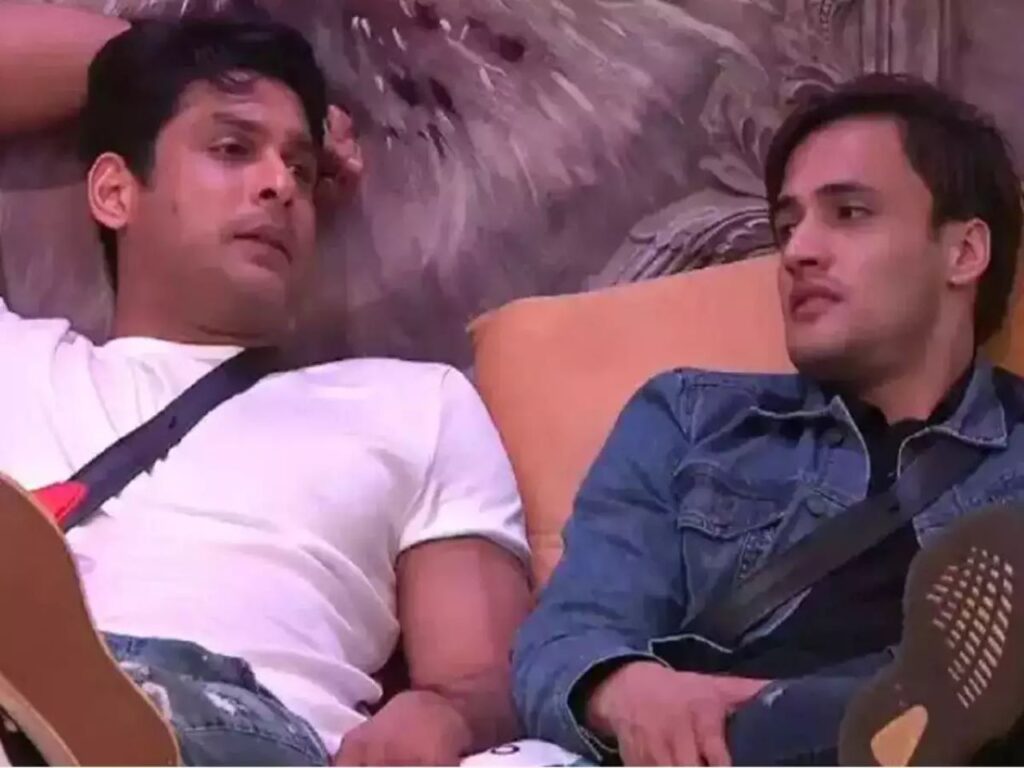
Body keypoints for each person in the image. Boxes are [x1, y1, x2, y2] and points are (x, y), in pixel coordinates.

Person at [0, 4, 532, 765]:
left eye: (302, 168)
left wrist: (440, 717)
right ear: (115, 192)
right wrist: (153, 61)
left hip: (250, 730)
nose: (281, 184)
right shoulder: (16, 361)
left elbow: (479, 679)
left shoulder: (414, 404)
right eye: (232, 148)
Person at [512, 73, 1024, 765]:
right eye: (787, 227)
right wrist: (631, 690)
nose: (798, 250)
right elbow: (568, 634)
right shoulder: (691, 418)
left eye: (849, 213)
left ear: (963, 252)